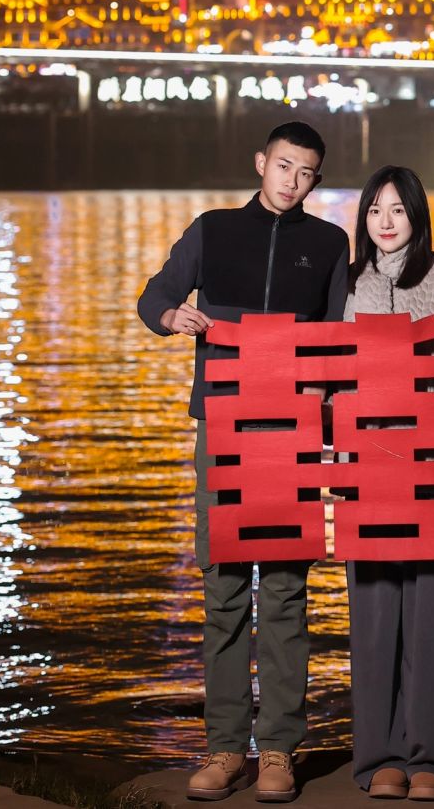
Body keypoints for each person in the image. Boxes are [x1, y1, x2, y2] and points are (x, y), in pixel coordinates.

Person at [137, 121, 349, 805]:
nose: (292, 180)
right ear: (262, 162)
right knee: (224, 586)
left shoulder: (328, 244)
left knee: (286, 588)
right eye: (283, 165)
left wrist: (325, 392)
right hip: (223, 426)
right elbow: (152, 296)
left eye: (306, 172)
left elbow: (339, 335)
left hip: (291, 430)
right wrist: (175, 317)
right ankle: (226, 747)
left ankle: (280, 749)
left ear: (315, 180)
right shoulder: (212, 228)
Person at [343, 166, 434, 803]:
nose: (385, 221)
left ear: (417, 217)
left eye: (398, 211)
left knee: (433, 620)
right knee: (375, 624)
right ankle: (380, 758)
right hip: (372, 475)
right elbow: (337, 375)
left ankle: (432, 758)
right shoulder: (351, 285)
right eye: (376, 209)